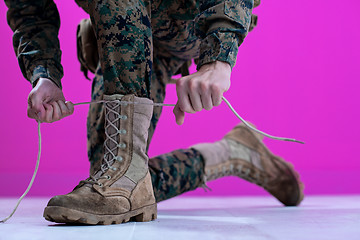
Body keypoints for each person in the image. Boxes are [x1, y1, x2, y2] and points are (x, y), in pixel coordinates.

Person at [5, 0, 304, 225]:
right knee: (115, 181)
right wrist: (44, 74)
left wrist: (218, 58)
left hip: (188, 21)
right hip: (125, 38)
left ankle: (127, 175)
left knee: (123, 180)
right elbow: (29, 10)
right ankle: (232, 153)